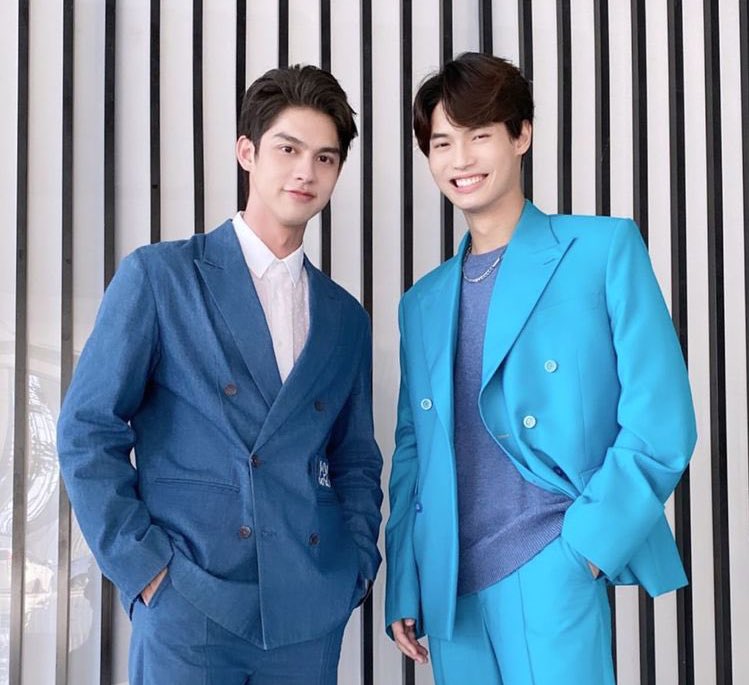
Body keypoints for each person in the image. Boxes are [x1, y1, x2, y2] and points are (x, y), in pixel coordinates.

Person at [58, 64, 383, 685]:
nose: (305, 172)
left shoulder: (345, 317)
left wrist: (355, 567)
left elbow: (356, 458)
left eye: (325, 158)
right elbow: (87, 430)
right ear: (246, 152)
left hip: (307, 607)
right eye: (287, 149)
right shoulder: (162, 277)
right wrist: (146, 570)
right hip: (190, 600)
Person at [384, 52, 696, 685]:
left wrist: (585, 548)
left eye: (479, 135)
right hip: (450, 587)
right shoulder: (422, 303)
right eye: (442, 143)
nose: (460, 159)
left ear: (521, 135)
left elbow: (661, 418)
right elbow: (414, 450)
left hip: (550, 561)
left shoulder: (601, 250)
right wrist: (406, 581)